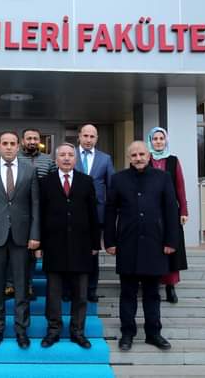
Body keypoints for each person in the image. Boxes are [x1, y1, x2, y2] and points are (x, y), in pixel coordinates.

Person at [105, 141, 178, 352]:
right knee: (127, 292)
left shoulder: (163, 178)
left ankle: (153, 333)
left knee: (152, 293)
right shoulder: (118, 179)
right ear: (129, 158)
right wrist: (109, 241)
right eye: (134, 155)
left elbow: (171, 210)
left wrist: (171, 241)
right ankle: (127, 333)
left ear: (149, 156)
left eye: (142, 154)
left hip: (155, 244)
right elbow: (110, 211)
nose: (138, 158)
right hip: (127, 244)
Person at [0, 131, 41, 349]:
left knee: (22, 286)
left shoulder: (29, 171)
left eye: (12, 143)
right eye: (4, 143)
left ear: (18, 146)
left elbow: (35, 205)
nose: (8, 147)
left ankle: (22, 331)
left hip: (22, 238)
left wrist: (35, 235)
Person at [39, 143, 99, 349]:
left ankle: (78, 331)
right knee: (53, 293)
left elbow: (93, 213)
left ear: (75, 159)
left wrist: (95, 242)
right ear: (56, 160)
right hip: (53, 245)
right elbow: (40, 214)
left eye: (70, 155)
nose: (66, 158)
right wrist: (38, 242)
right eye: (62, 155)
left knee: (81, 294)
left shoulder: (86, 181)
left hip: (82, 245)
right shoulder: (46, 182)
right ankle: (53, 330)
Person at [10, 128, 55, 300]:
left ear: (39, 141)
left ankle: (27, 285)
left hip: (41, 212)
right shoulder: (16, 159)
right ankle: (10, 285)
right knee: (15, 249)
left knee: (32, 250)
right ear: (22, 141)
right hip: (18, 211)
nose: (32, 141)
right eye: (29, 138)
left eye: (35, 138)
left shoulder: (48, 161)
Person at [146, 127, 189, 304]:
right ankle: (153, 283)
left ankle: (170, 287)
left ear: (166, 140)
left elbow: (180, 186)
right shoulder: (144, 159)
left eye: (161, 138)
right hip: (149, 212)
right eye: (154, 139)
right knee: (153, 248)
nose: (158, 141)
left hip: (170, 211)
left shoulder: (173, 160)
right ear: (150, 141)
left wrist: (184, 210)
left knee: (172, 248)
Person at [75, 124, 114, 302]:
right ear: (79, 137)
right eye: (86, 136)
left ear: (96, 138)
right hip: (73, 212)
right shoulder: (69, 155)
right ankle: (70, 290)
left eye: (92, 136)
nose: (89, 139)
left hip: (96, 214)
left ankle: (91, 289)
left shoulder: (105, 159)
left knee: (93, 254)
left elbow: (111, 186)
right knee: (71, 252)